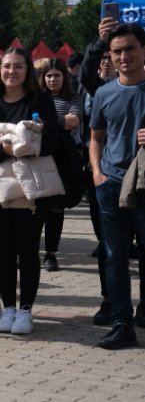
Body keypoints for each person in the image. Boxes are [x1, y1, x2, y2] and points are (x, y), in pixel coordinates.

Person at [0, 47, 61, 335]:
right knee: (4, 249)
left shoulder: (40, 101)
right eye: (6, 66)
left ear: (28, 71)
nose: (11, 72)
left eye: (18, 66)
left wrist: (9, 145)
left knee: (27, 249)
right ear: (0, 71)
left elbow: (51, 143)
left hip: (33, 187)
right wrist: (10, 149)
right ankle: (8, 307)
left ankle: (25, 310)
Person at [88, 24, 145, 349]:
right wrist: (97, 172)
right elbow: (96, 138)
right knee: (114, 257)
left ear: (143, 50)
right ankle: (123, 325)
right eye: (117, 51)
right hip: (110, 185)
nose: (124, 56)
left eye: (130, 49)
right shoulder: (104, 93)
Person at [38, 58, 82, 272]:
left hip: (62, 158)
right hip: (37, 157)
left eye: (57, 75)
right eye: (48, 75)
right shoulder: (36, 98)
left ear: (64, 77)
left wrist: (47, 121)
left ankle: (51, 254)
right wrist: (59, 121)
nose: (52, 79)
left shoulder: (72, 97)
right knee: (36, 207)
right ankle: (29, 251)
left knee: (56, 207)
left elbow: (74, 120)